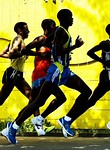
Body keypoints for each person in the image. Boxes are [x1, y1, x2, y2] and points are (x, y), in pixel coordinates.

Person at [6, 9, 92, 144]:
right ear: (64, 18)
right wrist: (75, 46)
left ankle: (66, 120)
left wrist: (50, 47)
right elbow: (57, 50)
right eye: (70, 16)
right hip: (55, 70)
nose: (73, 19)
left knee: (86, 91)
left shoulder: (60, 31)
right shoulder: (61, 31)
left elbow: (47, 43)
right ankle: (14, 126)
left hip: (65, 70)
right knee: (38, 101)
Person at [61, 23, 110, 137]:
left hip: (109, 76)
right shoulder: (106, 43)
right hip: (108, 76)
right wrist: (103, 61)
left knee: (91, 102)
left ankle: (67, 119)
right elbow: (90, 52)